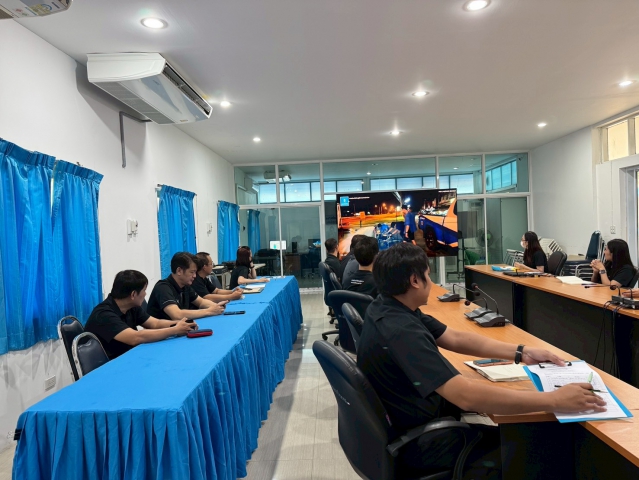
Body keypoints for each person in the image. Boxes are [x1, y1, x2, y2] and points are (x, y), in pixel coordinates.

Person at [357, 243, 606, 477]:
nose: (431, 282)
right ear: (414, 281)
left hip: (417, 424)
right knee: (535, 448)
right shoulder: (401, 331)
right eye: (428, 276)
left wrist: (522, 352)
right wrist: (553, 400)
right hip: (422, 444)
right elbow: (465, 395)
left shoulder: (390, 307)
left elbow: (455, 338)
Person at [84, 270, 197, 360]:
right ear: (133, 294)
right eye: (144, 290)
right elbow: (135, 337)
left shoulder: (132, 307)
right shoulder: (104, 315)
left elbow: (155, 323)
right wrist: (175, 330)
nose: (145, 294)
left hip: (129, 356)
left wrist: (181, 323)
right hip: (111, 365)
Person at [147, 252, 227, 320]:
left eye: (195, 272)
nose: (195, 276)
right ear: (179, 271)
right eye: (192, 272)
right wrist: (209, 311)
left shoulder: (185, 286)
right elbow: (177, 315)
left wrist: (217, 307)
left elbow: (201, 302)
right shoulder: (163, 288)